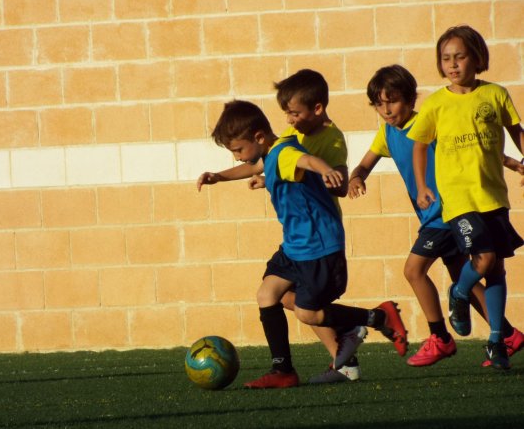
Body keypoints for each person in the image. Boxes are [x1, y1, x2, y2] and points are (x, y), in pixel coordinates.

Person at [209, 99, 407, 388]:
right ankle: (283, 371)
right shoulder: (274, 152)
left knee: (306, 312)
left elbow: (306, 161)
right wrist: (219, 177)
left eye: (238, 150)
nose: (237, 158)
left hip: (317, 247)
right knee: (268, 295)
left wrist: (325, 169)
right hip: (294, 246)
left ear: (259, 137)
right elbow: (258, 166)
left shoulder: (286, 152)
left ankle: (375, 317)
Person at [349, 64, 524, 368]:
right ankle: (507, 335)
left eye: (393, 101)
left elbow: (474, 149)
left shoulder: (429, 122)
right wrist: (357, 176)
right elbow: (365, 163)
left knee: (414, 270)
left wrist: (510, 162)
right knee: (462, 277)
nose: (386, 109)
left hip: (446, 213)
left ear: (411, 99)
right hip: (432, 215)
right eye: (379, 103)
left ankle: (439, 337)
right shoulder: (387, 133)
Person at [198, 69, 362, 384]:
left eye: (294, 113)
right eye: (286, 113)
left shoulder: (330, 139)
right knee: (276, 296)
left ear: (316, 109)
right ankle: (312, 365)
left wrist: (326, 172)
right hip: (296, 240)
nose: (289, 119)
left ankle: (360, 329)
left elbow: (319, 172)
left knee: (305, 307)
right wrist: (230, 177)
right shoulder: (290, 137)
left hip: (316, 237)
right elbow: (267, 162)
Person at [408, 25, 524, 370]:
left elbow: (516, 130)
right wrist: (421, 186)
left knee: (497, 270)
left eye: (460, 56)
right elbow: (420, 144)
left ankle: (496, 344)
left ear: (477, 57)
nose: (453, 64)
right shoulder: (436, 104)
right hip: (459, 200)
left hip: (493, 196)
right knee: (484, 259)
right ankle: (459, 293)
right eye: (446, 58)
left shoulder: (496, 95)